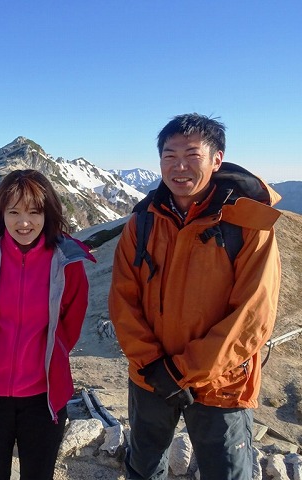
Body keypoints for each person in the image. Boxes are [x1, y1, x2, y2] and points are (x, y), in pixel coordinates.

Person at [108, 113, 282, 480]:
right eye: (169, 156)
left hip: (220, 384)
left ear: (217, 160)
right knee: (142, 468)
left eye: (192, 155)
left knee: (226, 472)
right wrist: (153, 365)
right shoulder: (141, 222)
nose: (180, 166)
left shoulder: (249, 225)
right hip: (150, 376)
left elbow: (253, 315)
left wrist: (180, 371)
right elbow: (123, 300)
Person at [0, 169, 95, 480]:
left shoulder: (66, 261)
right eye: (14, 212)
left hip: (44, 396)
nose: (24, 222)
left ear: (48, 213)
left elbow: (71, 322)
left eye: (34, 212)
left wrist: (52, 354)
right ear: (0, 213)